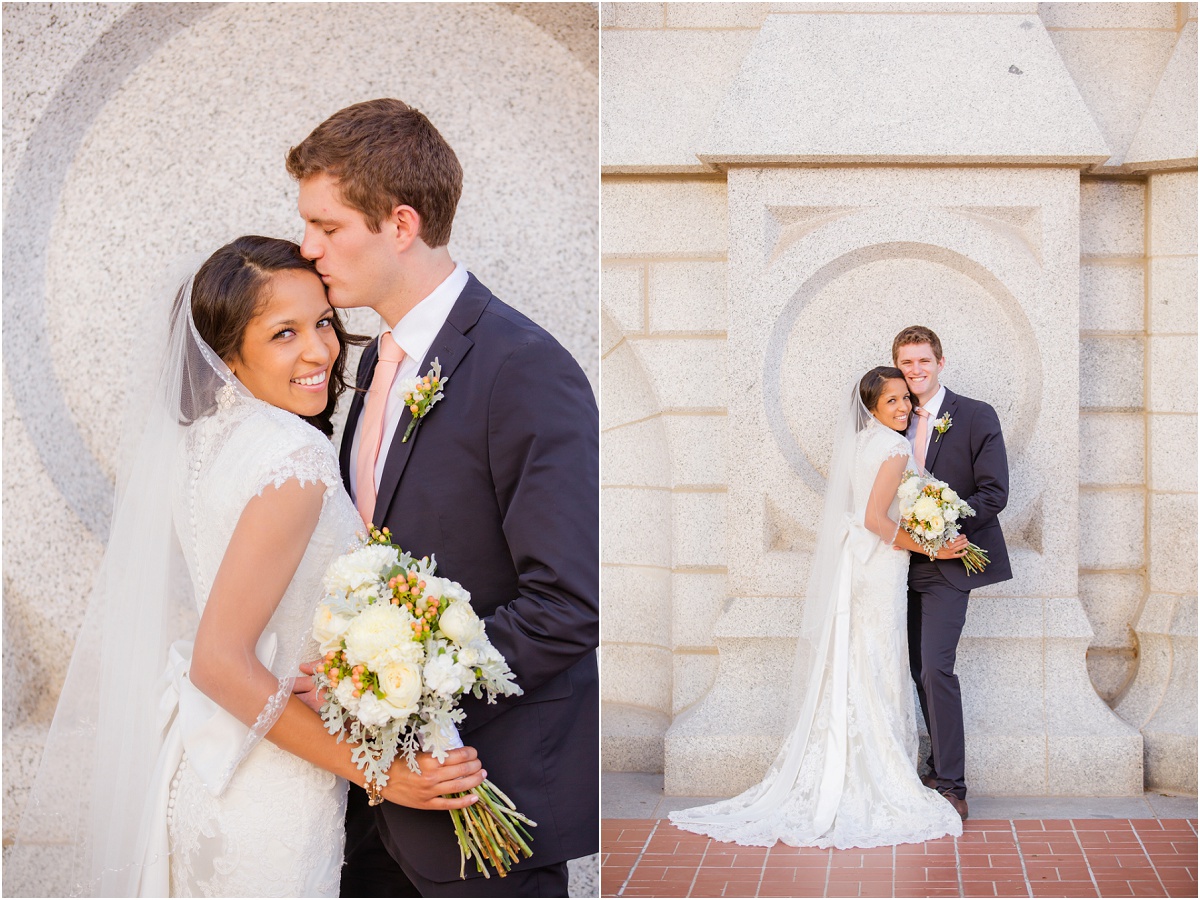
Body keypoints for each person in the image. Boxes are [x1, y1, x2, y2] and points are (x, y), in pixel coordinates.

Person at [12, 236, 486, 897]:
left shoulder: (202, 441)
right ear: (227, 351)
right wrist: (382, 772)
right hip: (271, 793)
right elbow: (220, 661)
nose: (319, 351)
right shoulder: (294, 456)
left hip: (213, 775)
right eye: (283, 334)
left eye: (323, 322)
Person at [286, 99, 599, 896]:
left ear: (399, 223)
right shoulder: (371, 362)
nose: (307, 246)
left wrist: (391, 700)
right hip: (369, 803)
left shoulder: (523, 367)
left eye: (327, 226)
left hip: (478, 800)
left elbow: (566, 603)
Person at [670, 368, 965, 849]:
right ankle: (874, 771)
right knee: (877, 657)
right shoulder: (892, 448)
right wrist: (933, 546)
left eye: (904, 399)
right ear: (871, 408)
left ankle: (843, 761)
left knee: (859, 657)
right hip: (880, 565)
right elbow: (874, 519)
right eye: (891, 402)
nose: (902, 407)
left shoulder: (866, 442)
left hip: (861, 565)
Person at [893, 326, 1011, 821]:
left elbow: (993, 492)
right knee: (916, 668)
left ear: (941, 361)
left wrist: (942, 532)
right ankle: (937, 765)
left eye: (923, 361)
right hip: (896, 562)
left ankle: (953, 787)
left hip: (949, 562)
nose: (914, 371)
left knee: (936, 667)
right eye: (906, 363)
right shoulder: (890, 418)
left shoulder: (976, 415)